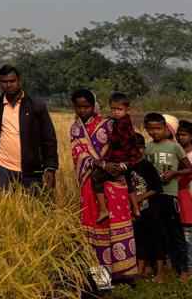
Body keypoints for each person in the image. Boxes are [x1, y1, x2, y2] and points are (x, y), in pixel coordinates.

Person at [69, 88, 139, 283]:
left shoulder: (108, 123)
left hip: (114, 182)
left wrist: (119, 166)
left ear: (94, 106)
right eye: (79, 107)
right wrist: (100, 164)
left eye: (86, 106)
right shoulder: (75, 129)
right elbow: (78, 155)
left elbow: (124, 145)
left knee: (117, 225)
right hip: (90, 184)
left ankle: (124, 276)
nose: (83, 110)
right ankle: (101, 280)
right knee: (95, 227)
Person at [0, 65, 58, 192]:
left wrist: (51, 167)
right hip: (2, 168)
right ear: (0, 83)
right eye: (4, 82)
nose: (8, 85)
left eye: (12, 81)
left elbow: (49, 138)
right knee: (3, 204)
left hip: (31, 170)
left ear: (19, 81)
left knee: (34, 203)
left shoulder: (36, 105)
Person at [141, 112, 191, 278]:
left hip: (170, 194)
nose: (154, 132)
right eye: (151, 129)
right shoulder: (148, 148)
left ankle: (183, 269)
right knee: (156, 232)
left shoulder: (175, 147)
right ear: (146, 129)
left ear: (165, 128)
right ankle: (159, 270)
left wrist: (175, 173)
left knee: (175, 232)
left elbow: (189, 168)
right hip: (153, 195)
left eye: (158, 128)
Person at [89, 93, 146, 223]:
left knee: (96, 177)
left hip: (120, 159)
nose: (116, 112)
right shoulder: (125, 121)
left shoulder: (120, 125)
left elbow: (120, 144)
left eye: (119, 109)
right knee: (128, 181)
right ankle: (136, 208)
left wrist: (116, 161)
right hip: (129, 159)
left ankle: (103, 209)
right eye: (113, 109)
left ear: (127, 109)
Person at [178, 121, 192, 269]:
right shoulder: (176, 152)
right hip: (180, 196)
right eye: (179, 134)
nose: (181, 137)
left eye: (184, 134)